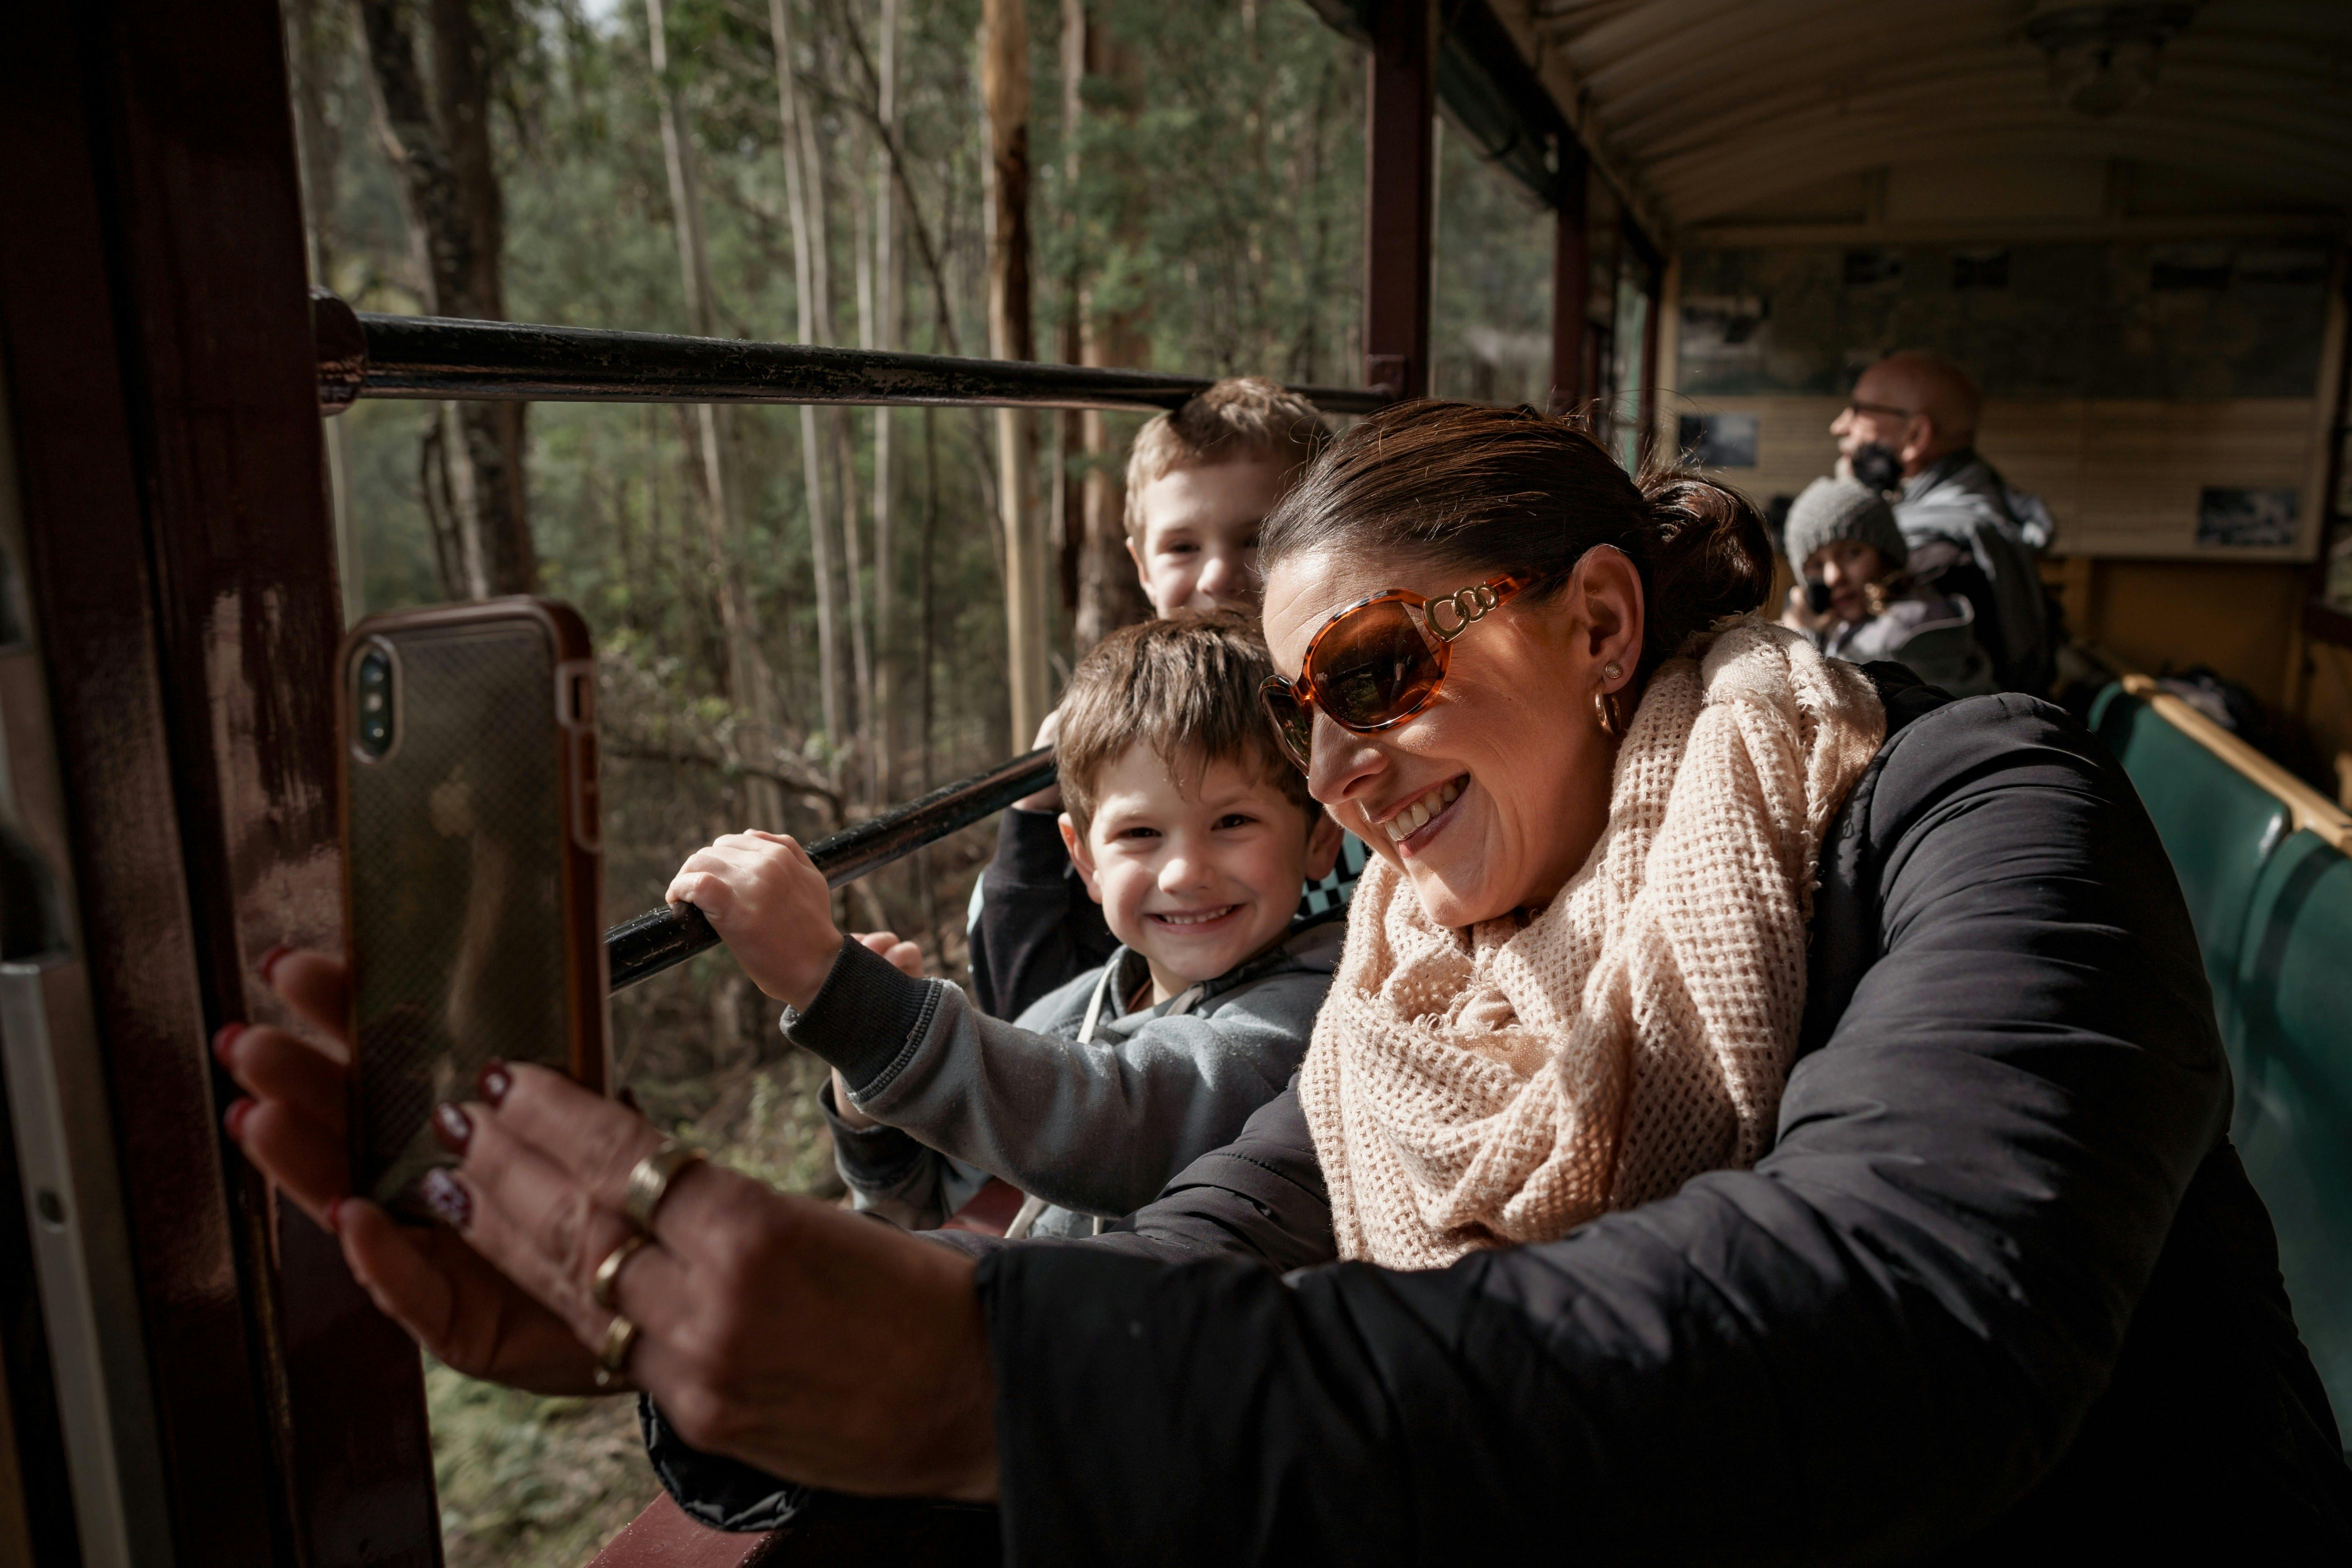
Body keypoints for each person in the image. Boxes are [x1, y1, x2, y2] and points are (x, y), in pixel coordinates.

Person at [220, 401, 2352, 1561]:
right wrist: (771, 1403)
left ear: (1595, 622)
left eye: (1377, 675)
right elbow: (1249, 1208)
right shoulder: (1422, 969)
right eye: (1300, 721)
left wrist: (989, 1393)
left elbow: (1908, 1316)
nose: (1336, 772)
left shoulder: (1968, 809)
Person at [672, 612, 1342, 1240]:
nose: (1183, 874)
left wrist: (841, 992)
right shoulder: (1064, 1013)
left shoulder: (1310, 1016)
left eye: (1233, 823)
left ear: (1318, 836)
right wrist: (862, 1093)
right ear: (1085, 861)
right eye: (1140, 833)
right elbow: (921, 1208)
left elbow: (1117, 1121)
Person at [967, 376, 1368, 1024]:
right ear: (1142, 565)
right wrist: (1033, 817)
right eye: (1183, 546)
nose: (1217, 575)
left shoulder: (1376, 724)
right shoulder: (1122, 738)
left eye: (1258, 540)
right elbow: (1026, 1010)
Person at [1832, 350, 2054, 693]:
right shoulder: (1994, 508)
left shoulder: (1929, 553)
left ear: (1916, 436)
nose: (1840, 426)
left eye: (1859, 411)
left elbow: (1857, 678)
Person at [1777, 476, 1996, 697]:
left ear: (1886, 556)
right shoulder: (1847, 623)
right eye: (1816, 565)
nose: (1834, 577)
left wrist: (1800, 639)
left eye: (1851, 553)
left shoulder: (1906, 629)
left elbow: (1831, 711)